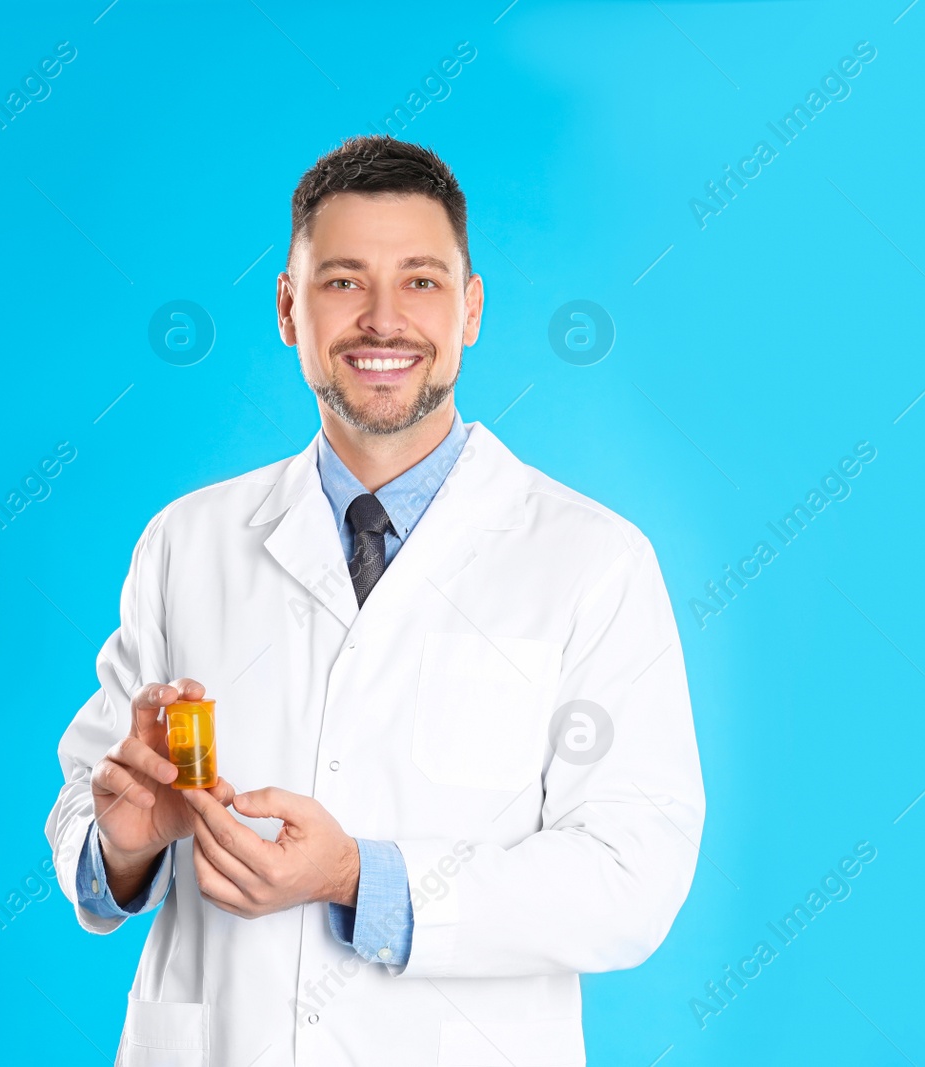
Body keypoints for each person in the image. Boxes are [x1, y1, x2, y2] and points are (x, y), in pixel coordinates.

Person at [44, 135, 705, 1066]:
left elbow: (634, 875)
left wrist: (365, 878)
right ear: (288, 308)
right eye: (344, 281)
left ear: (471, 308)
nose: (384, 320)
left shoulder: (593, 559)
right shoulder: (184, 542)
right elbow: (87, 799)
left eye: (423, 281)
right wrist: (124, 847)